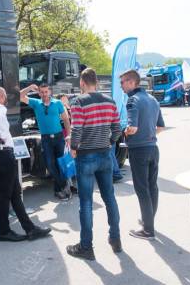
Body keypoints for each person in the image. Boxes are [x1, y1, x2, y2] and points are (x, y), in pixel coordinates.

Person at [0, 86, 52, 242]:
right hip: (3, 153)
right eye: (5, 95)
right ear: (1, 96)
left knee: (14, 194)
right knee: (7, 195)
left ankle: (30, 229)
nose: (6, 98)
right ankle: (5, 232)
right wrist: (3, 136)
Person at [66, 68, 122, 260]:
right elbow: (117, 128)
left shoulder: (78, 102)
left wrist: (73, 146)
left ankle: (86, 246)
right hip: (105, 155)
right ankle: (115, 239)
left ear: (82, 83)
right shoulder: (110, 101)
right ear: (96, 82)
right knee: (109, 198)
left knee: (86, 202)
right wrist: (109, 142)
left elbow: (77, 128)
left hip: (86, 157)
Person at [120, 69, 165, 240]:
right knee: (152, 186)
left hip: (139, 150)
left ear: (132, 82)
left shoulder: (133, 100)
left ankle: (147, 230)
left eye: (123, 82)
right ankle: (149, 222)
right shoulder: (153, 99)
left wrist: (126, 132)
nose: (121, 86)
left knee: (142, 190)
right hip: (153, 148)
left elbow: (132, 128)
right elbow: (160, 127)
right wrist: (148, 135)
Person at [20, 84, 72, 200]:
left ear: (50, 92)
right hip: (46, 139)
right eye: (42, 92)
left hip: (59, 138)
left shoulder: (57, 103)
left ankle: (59, 190)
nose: (44, 94)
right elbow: (19, 96)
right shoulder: (36, 103)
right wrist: (29, 88)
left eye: (46, 91)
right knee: (49, 164)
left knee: (61, 164)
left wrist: (68, 135)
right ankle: (64, 186)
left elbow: (66, 119)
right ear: (39, 93)